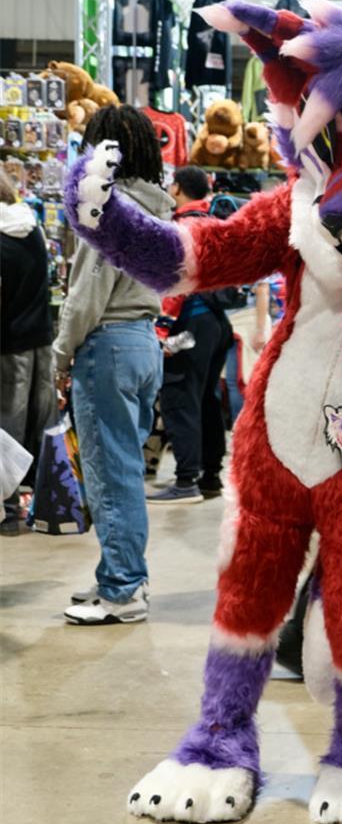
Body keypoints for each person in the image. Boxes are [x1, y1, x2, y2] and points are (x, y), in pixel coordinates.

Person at [55, 105, 166, 624]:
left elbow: (86, 296)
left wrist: (61, 354)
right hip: (143, 341)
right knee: (123, 471)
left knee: (110, 475)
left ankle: (122, 590)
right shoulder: (158, 208)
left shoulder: (107, 207)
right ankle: (122, 577)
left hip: (108, 345)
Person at [147, 164, 234, 503]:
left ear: (178, 189)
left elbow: (175, 284)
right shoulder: (214, 223)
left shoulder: (181, 227)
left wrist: (161, 330)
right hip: (216, 323)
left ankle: (186, 481)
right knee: (208, 398)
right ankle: (210, 476)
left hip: (189, 324)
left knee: (179, 396)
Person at [0, 169, 56, 535]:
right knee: (41, 422)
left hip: (10, 345)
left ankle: (6, 508)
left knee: (8, 427)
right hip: (41, 339)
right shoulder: (31, 227)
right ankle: (47, 500)